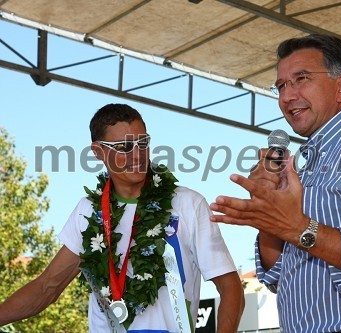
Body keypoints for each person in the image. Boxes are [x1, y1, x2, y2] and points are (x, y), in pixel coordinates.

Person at [210, 34, 341, 332]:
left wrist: (297, 227)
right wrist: (269, 215)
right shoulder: (307, 161)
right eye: (281, 85)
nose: (286, 96)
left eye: (301, 78)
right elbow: (279, 277)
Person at [0, 103, 244, 332]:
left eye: (143, 143)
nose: (137, 155)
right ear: (98, 151)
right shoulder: (88, 211)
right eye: (124, 147)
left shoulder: (188, 203)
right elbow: (47, 287)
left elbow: (230, 287)